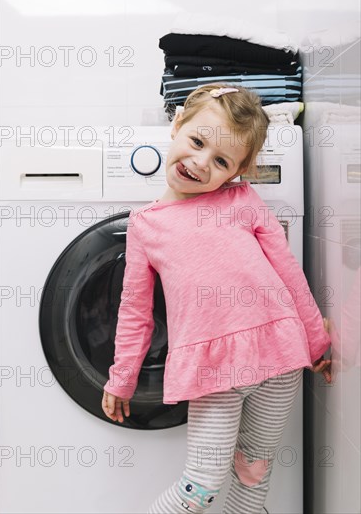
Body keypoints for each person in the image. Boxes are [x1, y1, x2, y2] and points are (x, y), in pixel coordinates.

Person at [101, 84, 332, 514]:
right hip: (213, 370)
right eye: (197, 141)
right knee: (200, 488)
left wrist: (316, 341)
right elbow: (135, 312)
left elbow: (289, 273)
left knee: (253, 472)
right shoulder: (146, 226)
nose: (202, 163)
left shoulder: (243, 199)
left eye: (221, 161)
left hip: (280, 358)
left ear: (236, 173)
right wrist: (122, 377)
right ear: (177, 125)